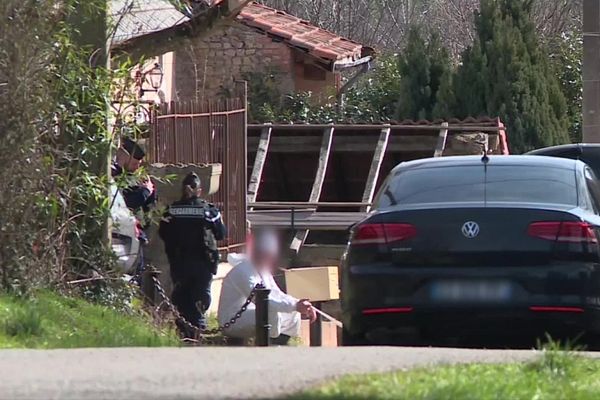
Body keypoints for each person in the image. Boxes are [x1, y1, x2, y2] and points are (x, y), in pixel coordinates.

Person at [218, 228, 316, 344]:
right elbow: (262, 300)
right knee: (270, 313)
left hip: (249, 313)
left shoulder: (263, 270)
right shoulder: (243, 271)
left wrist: (298, 303)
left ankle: (279, 345)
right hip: (232, 320)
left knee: (293, 315)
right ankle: (267, 345)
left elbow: (277, 294)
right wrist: (295, 305)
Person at [159, 172, 226, 336]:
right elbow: (221, 234)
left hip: (179, 263)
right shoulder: (209, 211)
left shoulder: (172, 210)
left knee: (182, 301)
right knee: (199, 303)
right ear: (200, 191)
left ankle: (183, 334)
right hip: (203, 264)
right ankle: (198, 336)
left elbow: (163, 232)